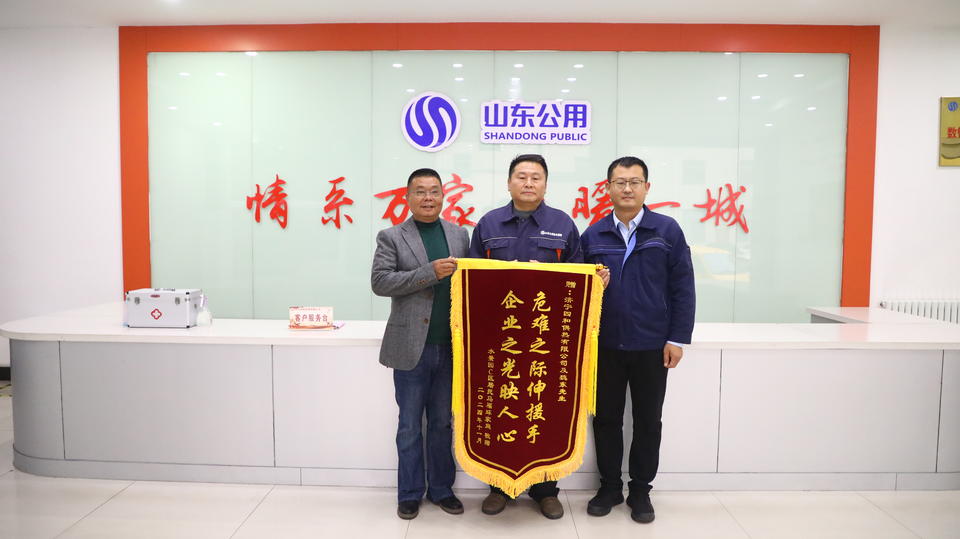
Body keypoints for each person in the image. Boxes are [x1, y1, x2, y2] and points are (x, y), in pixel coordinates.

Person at [468, 153, 586, 520]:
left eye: (536, 177)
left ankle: (545, 490)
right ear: (509, 183)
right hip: (499, 340)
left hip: (545, 342)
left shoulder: (563, 224)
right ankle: (500, 487)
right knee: (503, 411)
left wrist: (564, 278)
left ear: (546, 185)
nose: (529, 183)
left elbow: (577, 278)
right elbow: (471, 281)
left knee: (544, 412)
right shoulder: (488, 224)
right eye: (521, 176)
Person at [580, 156, 695, 524]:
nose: (627, 188)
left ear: (647, 187)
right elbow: (576, 292)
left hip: (652, 345)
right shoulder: (593, 235)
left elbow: (682, 286)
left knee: (648, 420)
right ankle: (610, 486)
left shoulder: (666, 231)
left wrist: (677, 338)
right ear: (608, 188)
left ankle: (641, 490)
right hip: (605, 345)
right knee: (606, 419)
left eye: (634, 182)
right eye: (620, 182)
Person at [371, 168, 470, 520]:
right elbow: (380, 282)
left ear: (443, 195)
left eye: (434, 191)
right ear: (408, 197)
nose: (428, 197)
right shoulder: (391, 236)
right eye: (420, 191)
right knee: (410, 425)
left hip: (452, 348)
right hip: (410, 346)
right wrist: (429, 272)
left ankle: (442, 489)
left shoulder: (459, 235)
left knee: (442, 423)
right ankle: (410, 493)